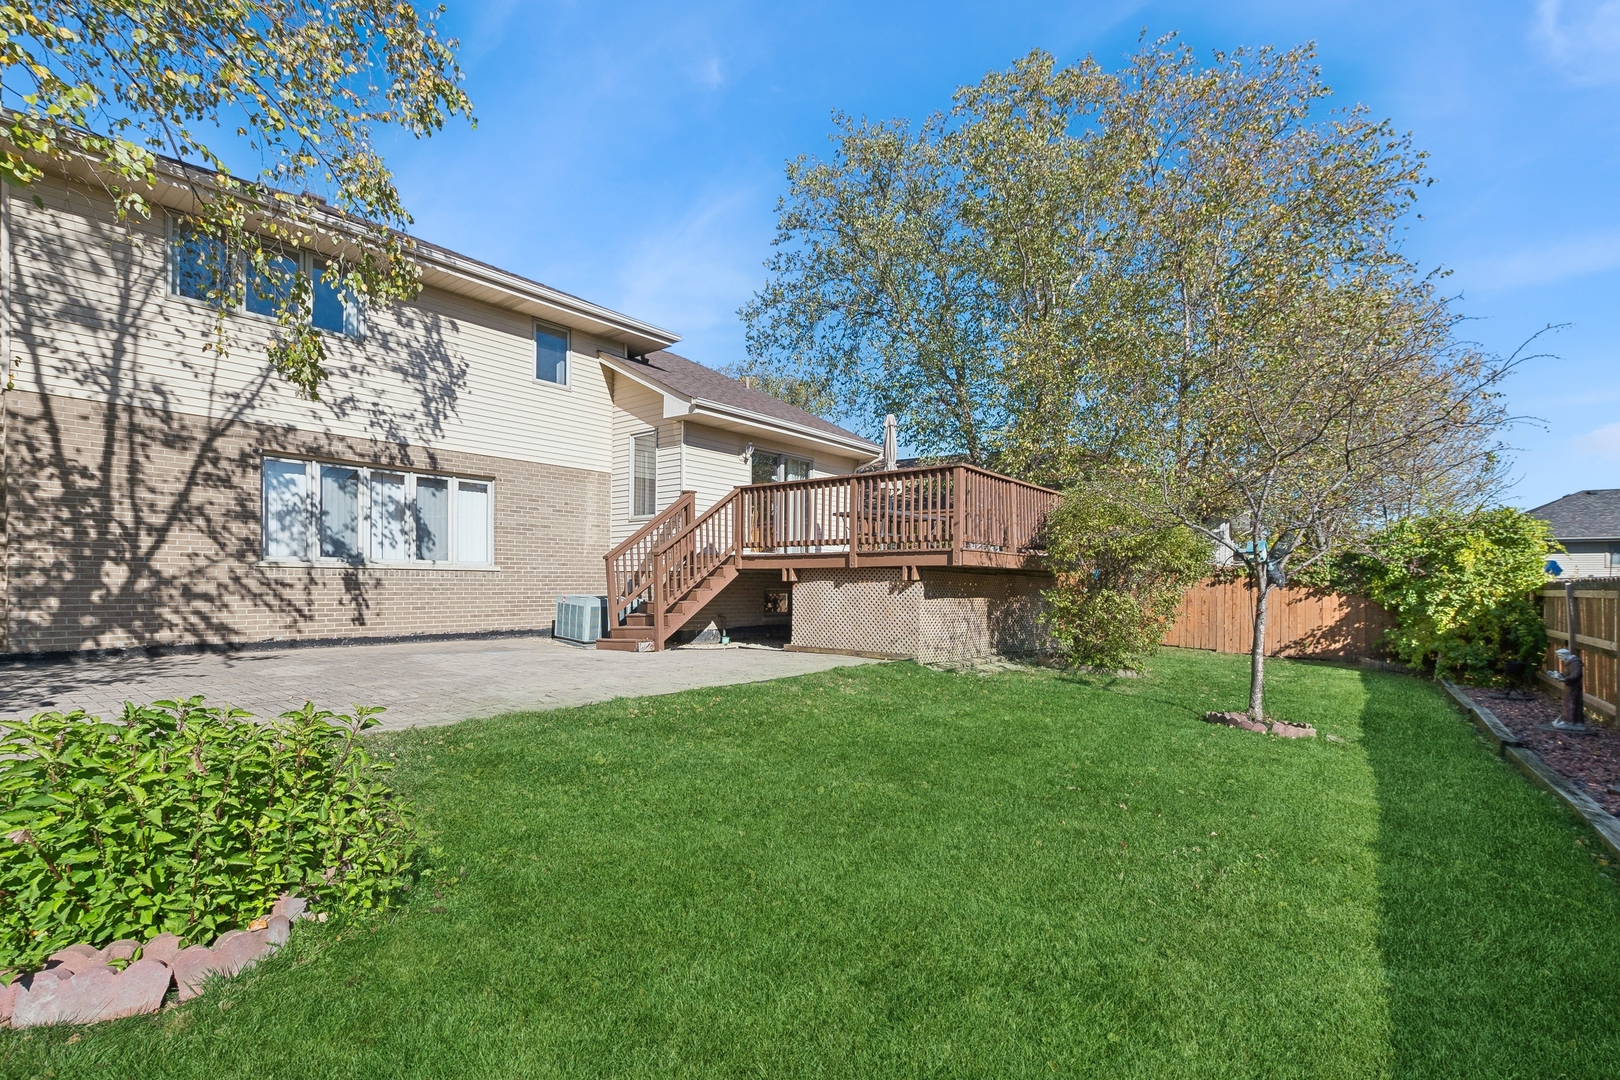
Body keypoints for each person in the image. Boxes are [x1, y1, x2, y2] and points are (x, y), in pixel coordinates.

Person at [1546, 648, 1587, 731]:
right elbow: (1568, 674)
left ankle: (1571, 721)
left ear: (1565, 654)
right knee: (1568, 701)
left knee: (1572, 702)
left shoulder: (1575, 663)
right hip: (1570, 686)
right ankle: (1568, 720)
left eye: (1560, 656)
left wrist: (1564, 679)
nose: (1560, 658)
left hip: (1574, 687)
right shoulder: (1570, 662)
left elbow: (1576, 675)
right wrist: (1559, 675)